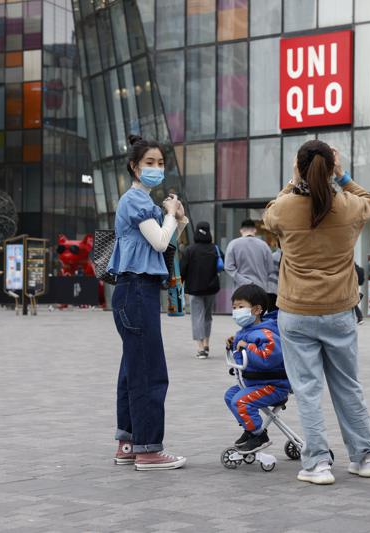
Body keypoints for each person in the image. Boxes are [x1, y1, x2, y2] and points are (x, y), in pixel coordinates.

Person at [263, 140, 370, 486]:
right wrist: (341, 177)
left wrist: (293, 180)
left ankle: (317, 464)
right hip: (340, 310)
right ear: (331, 167)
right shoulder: (347, 206)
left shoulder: (285, 208)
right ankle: (364, 457)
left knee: (308, 389)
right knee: (348, 385)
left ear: (299, 167)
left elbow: (270, 212)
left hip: (296, 311)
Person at [107, 134, 187, 471]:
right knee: (150, 371)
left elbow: (166, 242)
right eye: (149, 163)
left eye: (160, 163)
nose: (156, 168)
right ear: (134, 166)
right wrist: (170, 214)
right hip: (137, 291)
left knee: (132, 368)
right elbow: (158, 242)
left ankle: (128, 442)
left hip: (133, 291)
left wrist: (176, 218)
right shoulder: (136, 200)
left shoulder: (143, 202)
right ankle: (149, 449)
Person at [224, 284, 290, 453]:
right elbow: (243, 357)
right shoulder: (246, 331)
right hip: (255, 383)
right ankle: (251, 430)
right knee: (230, 395)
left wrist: (246, 347)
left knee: (241, 401)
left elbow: (267, 359)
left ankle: (259, 436)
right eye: (234, 307)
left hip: (274, 385)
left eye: (240, 307)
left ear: (257, 309)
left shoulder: (267, 333)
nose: (236, 311)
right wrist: (234, 346)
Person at [180, 221, 221, 359]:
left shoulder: (190, 250)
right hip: (211, 288)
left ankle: (200, 348)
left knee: (197, 317)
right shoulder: (215, 249)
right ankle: (206, 343)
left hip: (195, 289)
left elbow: (182, 270)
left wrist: (181, 284)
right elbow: (222, 265)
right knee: (208, 317)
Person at [224, 218, 274, 298]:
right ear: (255, 230)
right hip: (260, 289)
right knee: (259, 310)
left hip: (240, 290)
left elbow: (228, 267)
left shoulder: (233, 244)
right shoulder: (264, 245)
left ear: (241, 230)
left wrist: (243, 281)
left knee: (242, 310)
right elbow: (270, 269)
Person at [267, 239, 282, 312]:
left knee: (271, 311)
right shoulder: (287, 257)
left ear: (277, 244)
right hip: (281, 290)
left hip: (270, 288)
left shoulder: (273, 256)